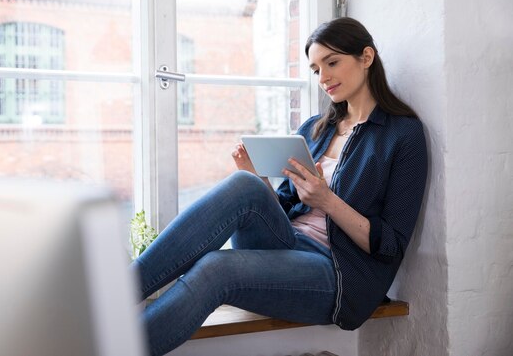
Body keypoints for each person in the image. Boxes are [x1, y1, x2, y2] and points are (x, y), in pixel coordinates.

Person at [130, 17, 428, 356]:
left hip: (339, 271)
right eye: (316, 69)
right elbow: (283, 210)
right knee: (245, 184)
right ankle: (116, 298)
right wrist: (259, 179)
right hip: (289, 244)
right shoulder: (317, 128)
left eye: (332, 62)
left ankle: (109, 344)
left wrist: (328, 201)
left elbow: (390, 245)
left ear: (366, 57)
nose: (323, 78)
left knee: (217, 268)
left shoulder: (403, 136)